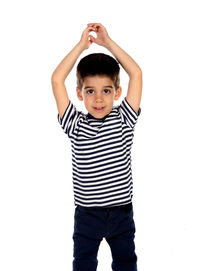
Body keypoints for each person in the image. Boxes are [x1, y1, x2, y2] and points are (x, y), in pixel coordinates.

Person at [51, 22, 142, 271]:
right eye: (90, 91)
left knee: (126, 263)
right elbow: (57, 79)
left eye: (106, 90)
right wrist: (81, 46)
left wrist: (108, 43)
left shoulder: (125, 118)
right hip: (87, 214)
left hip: (121, 213)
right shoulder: (75, 124)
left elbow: (136, 73)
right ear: (80, 93)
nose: (99, 98)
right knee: (83, 264)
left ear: (117, 92)